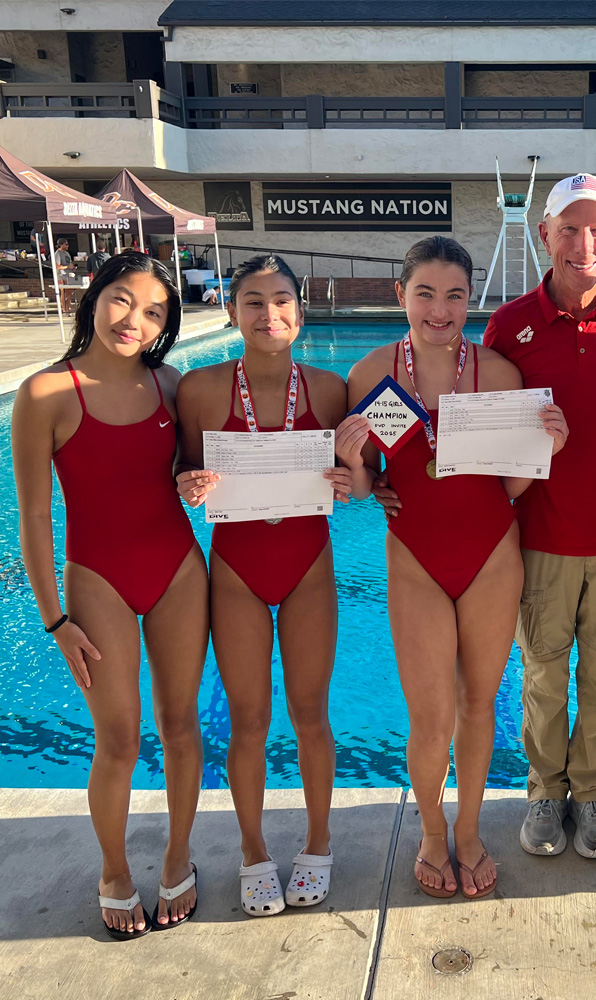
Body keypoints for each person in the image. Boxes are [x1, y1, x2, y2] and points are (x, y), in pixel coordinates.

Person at [340, 236, 568, 898]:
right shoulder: (369, 373)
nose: (440, 312)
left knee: (478, 702)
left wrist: (546, 445)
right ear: (400, 296)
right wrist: (355, 458)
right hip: (415, 555)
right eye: (425, 295)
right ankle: (433, 833)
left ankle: (468, 831)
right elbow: (362, 490)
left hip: (491, 553)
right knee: (431, 714)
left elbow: (515, 486)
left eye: (455, 297)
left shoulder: (497, 372)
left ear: (473, 300)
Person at [11, 252, 207, 939]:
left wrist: (197, 479)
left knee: (181, 726)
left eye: (154, 311)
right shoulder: (44, 395)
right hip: (97, 578)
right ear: (95, 296)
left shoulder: (172, 384)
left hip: (179, 568)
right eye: (123, 300)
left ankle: (179, 857)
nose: (135, 320)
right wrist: (54, 619)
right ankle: (116, 869)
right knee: (119, 739)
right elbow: (35, 517)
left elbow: (191, 468)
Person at [483, 173, 596, 860]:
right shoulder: (510, 326)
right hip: (541, 541)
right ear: (545, 236)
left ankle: (591, 792)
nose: (583, 244)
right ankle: (544, 788)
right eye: (569, 230)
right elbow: (482, 433)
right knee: (543, 675)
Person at [175, 254, 353, 917]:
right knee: (247, 721)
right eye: (253, 301)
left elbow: (356, 478)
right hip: (237, 571)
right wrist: (186, 484)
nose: (268, 313)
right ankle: (252, 851)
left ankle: (317, 843)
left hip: (308, 566)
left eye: (281, 301)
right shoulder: (199, 389)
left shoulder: (330, 391)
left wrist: (349, 481)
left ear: (300, 316)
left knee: (310, 713)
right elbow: (179, 472)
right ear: (230, 312)